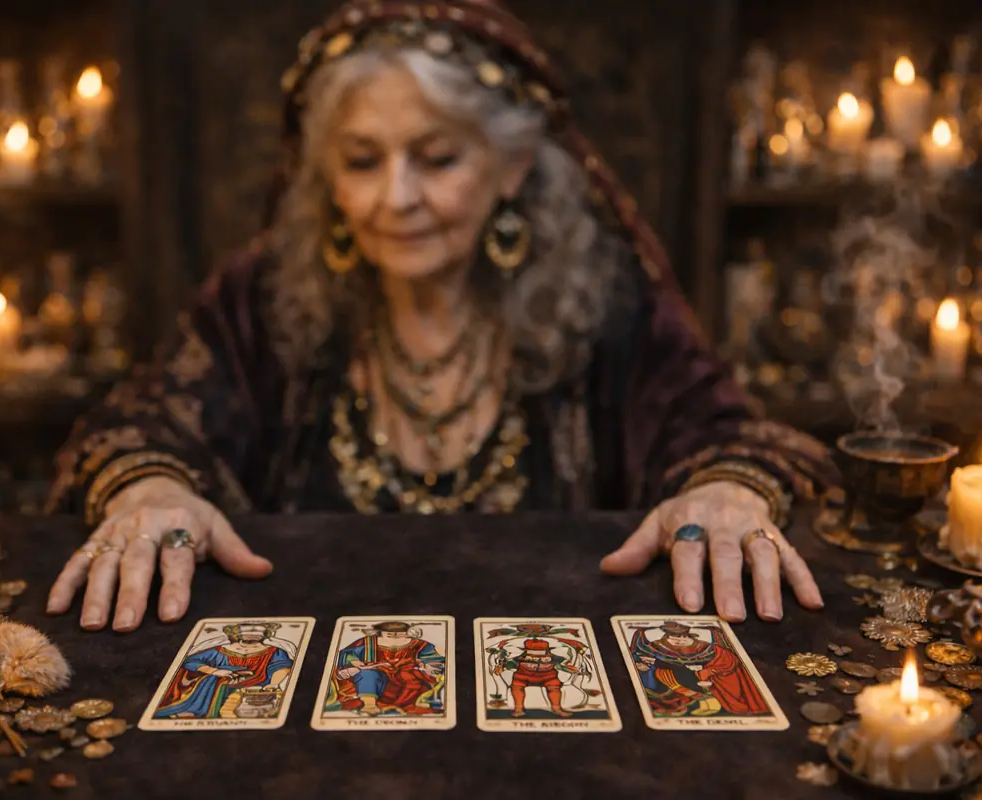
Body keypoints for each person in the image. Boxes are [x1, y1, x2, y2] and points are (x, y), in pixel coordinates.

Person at [44, 0, 838, 634]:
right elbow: (144, 422)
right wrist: (150, 488)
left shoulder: (606, 297)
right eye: (361, 161)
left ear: (511, 165)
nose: (396, 199)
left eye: (437, 157)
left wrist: (726, 493)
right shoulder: (261, 296)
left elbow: (727, 436)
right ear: (326, 177)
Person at [153, 622, 294, 719]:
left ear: (266, 634)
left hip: (257, 680)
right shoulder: (219, 650)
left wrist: (274, 684)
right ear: (236, 634)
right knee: (215, 679)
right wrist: (215, 671)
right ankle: (193, 711)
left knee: (221, 681)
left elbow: (281, 667)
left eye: (257, 632)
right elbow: (190, 662)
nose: (252, 634)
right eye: (247, 632)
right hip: (219, 678)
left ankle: (201, 711)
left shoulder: (275, 651)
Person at [629, 621, 769, 717]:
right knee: (661, 673)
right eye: (674, 637)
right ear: (666, 637)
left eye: (682, 637)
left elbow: (727, 662)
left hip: (707, 678)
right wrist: (645, 667)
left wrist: (705, 671)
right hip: (677, 682)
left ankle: (708, 700)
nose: (679, 640)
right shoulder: (657, 647)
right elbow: (648, 659)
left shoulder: (708, 649)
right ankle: (702, 700)